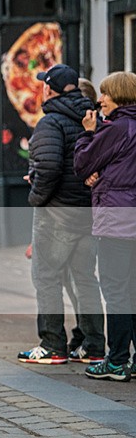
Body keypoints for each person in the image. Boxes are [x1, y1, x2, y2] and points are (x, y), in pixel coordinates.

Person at [16, 64, 105, 365]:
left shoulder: (50, 123)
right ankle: (94, 346)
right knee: (85, 279)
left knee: (47, 277)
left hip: (57, 213)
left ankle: (52, 344)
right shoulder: (93, 118)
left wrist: (36, 196)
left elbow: (48, 167)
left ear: (48, 89)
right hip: (88, 211)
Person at [75, 71, 136, 381]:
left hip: (117, 221)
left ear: (120, 97)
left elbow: (83, 162)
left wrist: (88, 133)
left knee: (116, 291)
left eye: (105, 94)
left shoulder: (116, 128)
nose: (99, 100)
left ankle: (116, 361)